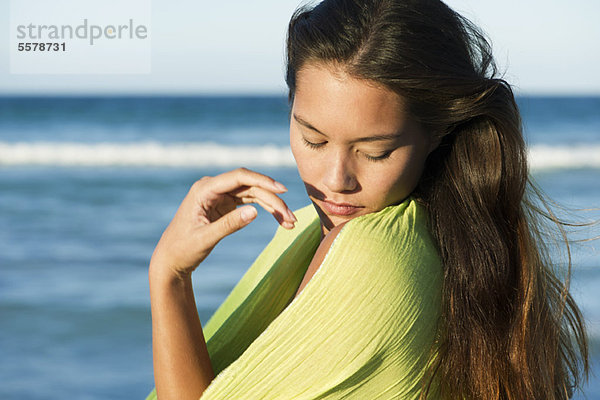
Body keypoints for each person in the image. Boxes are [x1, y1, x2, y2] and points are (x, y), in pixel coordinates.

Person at [147, 0, 589, 399]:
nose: (336, 180)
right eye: (312, 139)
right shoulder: (449, 244)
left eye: (375, 152)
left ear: (436, 133)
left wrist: (169, 274)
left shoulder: (371, 255)